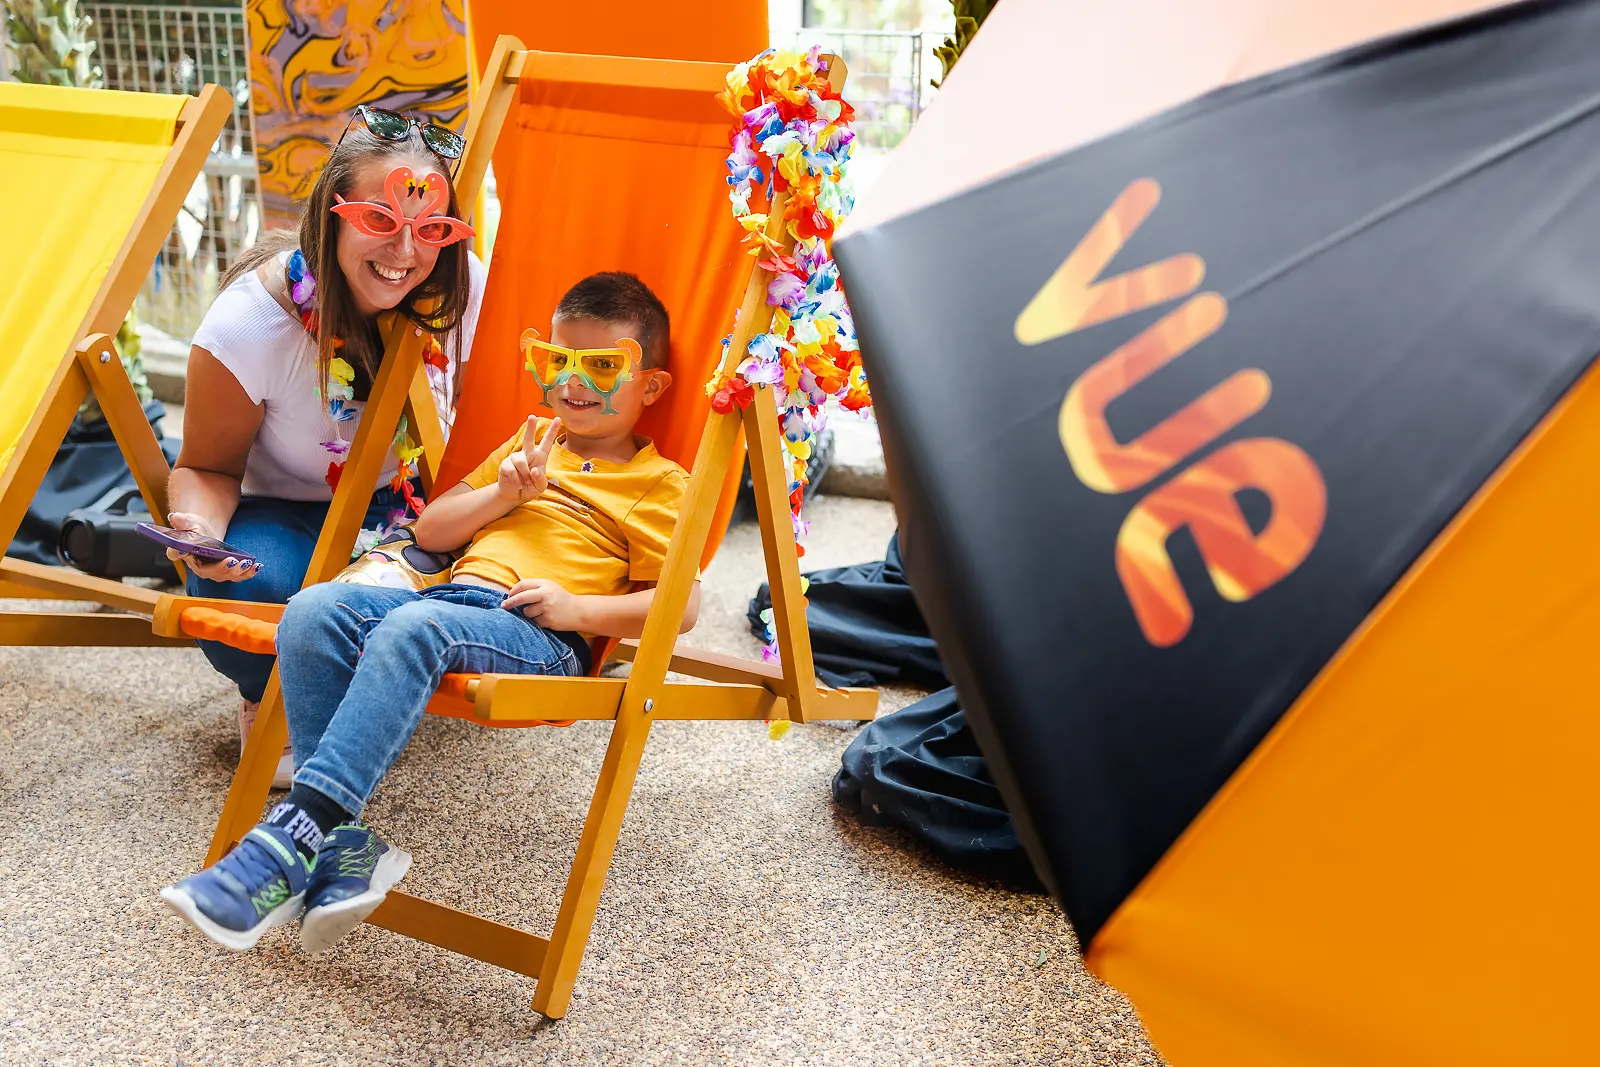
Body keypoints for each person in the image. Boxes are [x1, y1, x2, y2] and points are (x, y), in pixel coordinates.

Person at [159, 272, 700, 955]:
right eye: (556, 360)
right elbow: (433, 533)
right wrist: (501, 495)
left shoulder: (661, 484)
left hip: (540, 632)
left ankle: (296, 833)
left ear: (649, 385)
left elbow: (679, 607)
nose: (573, 381)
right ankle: (346, 842)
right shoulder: (530, 443)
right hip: (453, 601)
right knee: (313, 609)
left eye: (602, 365)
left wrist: (578, 607)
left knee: (413, 626)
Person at [168, 108, 487, 787]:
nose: (405, 252)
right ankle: (271, 693)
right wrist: (199, 532)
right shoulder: (252, 325)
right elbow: (204, 466)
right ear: (331, 213)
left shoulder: (461, 290)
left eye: (431, 229)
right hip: (283, 513)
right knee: (247, 588)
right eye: (378, 220)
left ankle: (368, 673)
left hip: (410, 511)